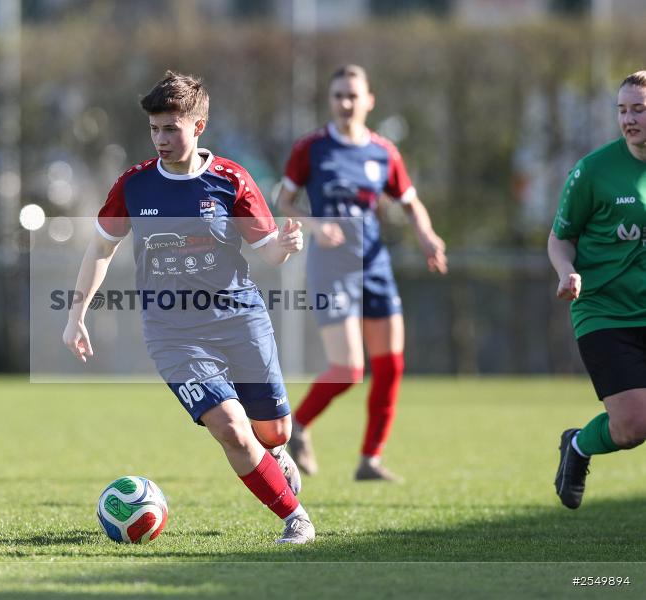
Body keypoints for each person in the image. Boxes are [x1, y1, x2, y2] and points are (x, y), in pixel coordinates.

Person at [62, 71, 315, 543]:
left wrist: (285, 242)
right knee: (231, 429)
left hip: (240, 318)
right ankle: (295, 517)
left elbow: (269, 253)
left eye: (171, 128)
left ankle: (274, 453)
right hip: (172, 332)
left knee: (273, 431)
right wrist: (76, 315)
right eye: (155, 128)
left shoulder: (231, 180)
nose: (160, 138)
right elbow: (100, 249)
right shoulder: (134, 185)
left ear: (198, 126)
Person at [278, 65, 447, 481]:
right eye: (338, 95)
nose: (346, 103)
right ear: (330, 100)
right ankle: (296, 428)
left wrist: (426, 235)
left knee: (390, 365)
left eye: (353, 95)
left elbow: (410, 202)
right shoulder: (311, 149)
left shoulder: (383, 152)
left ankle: (370, 460)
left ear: (369, 100)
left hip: (374, 265)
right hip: (330, 267)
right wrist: (316, 224)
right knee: (350, 369)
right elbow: (283, 199)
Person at [550, 70, 646, 510]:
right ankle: (579, 446)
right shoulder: (593, 171)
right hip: (604, 310)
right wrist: (566, 270)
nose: (629, 119)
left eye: (639, 109)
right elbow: (559, 237)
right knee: (631, 427)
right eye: (623, 109)